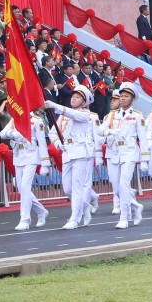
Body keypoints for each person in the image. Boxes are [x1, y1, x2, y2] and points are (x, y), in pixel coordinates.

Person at [45, 84, 99, 230]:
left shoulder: (86, 114)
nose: (73, 99)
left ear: (84, 102)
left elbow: (74, 115)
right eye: (73, 96)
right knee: (67, 188)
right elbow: (52, 133)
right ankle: (84, 206)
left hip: (81, 153)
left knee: (76, 187)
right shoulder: (64, 116)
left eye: (77, 97)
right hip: (67, 153)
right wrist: (57, 144)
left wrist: (54, 105)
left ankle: (75, 218)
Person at [101, 82, 144, 229]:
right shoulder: (112, 115)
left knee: (123, 184)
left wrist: (144, 159)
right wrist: (108, 131)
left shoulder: (137, 116)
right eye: (122, 96)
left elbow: (142, 138)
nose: (123, 99)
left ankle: (124, 217)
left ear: (132, 99)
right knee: (117, 188)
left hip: (129, 152)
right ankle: (135, 206)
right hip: (113, 153)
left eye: (126, 96)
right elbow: (100, 131)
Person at [0, 109, 50, 231]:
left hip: (31, 154)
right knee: (22, 189)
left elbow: (42, 142)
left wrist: (45, 163)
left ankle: (25, 219)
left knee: (25, 186)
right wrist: (13, 133)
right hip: (18, 155)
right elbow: (2, 134)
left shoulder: (36, 120)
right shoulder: (14, 120)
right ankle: (41, 211)